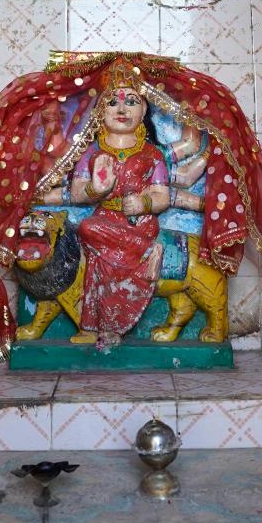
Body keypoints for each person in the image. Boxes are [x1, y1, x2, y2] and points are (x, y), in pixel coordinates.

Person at [65, 72, 170, 348]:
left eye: (131, 102)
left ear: (144, 109)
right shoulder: (90, 152)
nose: (122, 109)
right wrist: (96, 191)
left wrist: (144, 203)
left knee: (92, 233)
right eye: (112, 102)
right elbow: (77, 193)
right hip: (104, 222)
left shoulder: (152, 154)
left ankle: (109, 327)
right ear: (101, 109)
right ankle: (92, 326)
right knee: (94, 251)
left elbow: (162, 196)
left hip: (138, 224)